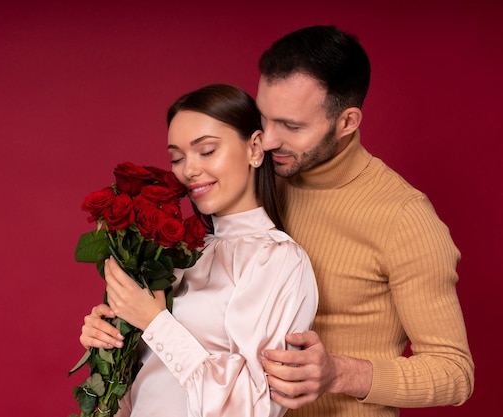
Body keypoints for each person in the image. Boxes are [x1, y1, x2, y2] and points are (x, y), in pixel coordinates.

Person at [255, 25, 475, 417]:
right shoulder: (261, 180)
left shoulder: (403, 218)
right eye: (264, 118)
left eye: (291, 126)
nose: (268, 140)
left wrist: (339, 373)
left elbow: (454, 372)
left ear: (347, 122)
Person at [79, 83, 319, 417]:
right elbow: (147, 390)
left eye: (206, 151)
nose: (188, 170)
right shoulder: (178, 256)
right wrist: (111, 343)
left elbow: (254, 407)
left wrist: (154, 321)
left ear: (254, 148)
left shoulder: (278, 260)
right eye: (177, 157)